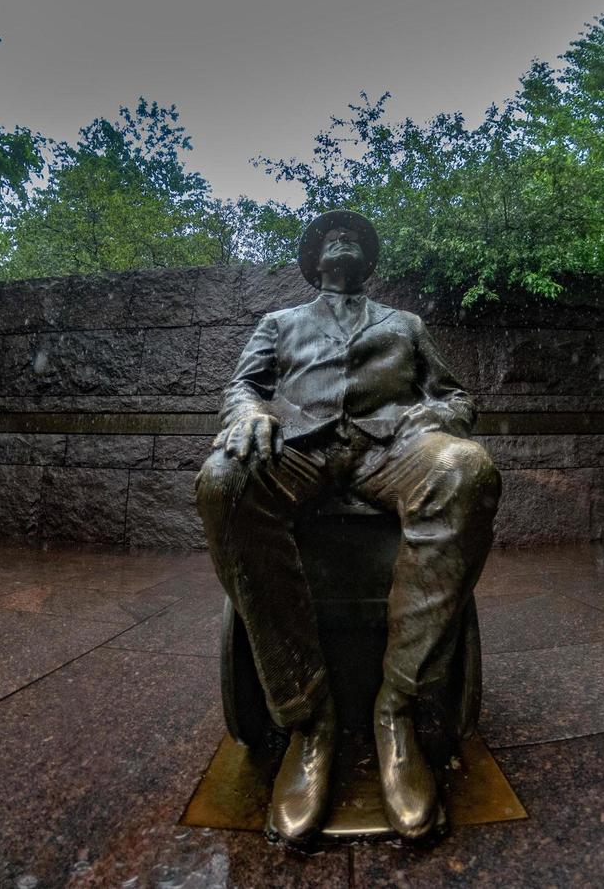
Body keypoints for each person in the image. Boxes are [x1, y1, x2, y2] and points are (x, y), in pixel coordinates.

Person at [195, 209, 502, 843]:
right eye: (329, 235)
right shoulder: (279, 323)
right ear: (311, 258)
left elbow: (457, 398)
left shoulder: (405, 325)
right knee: (222, 480)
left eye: (354, 237)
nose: (342, 239)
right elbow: (241, 387)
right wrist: (250, 412)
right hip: (300, 449)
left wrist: (434, 421)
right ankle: (309, 720)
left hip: (388, 450)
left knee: (467, 470)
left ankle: (398, 710)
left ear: (367, 258)